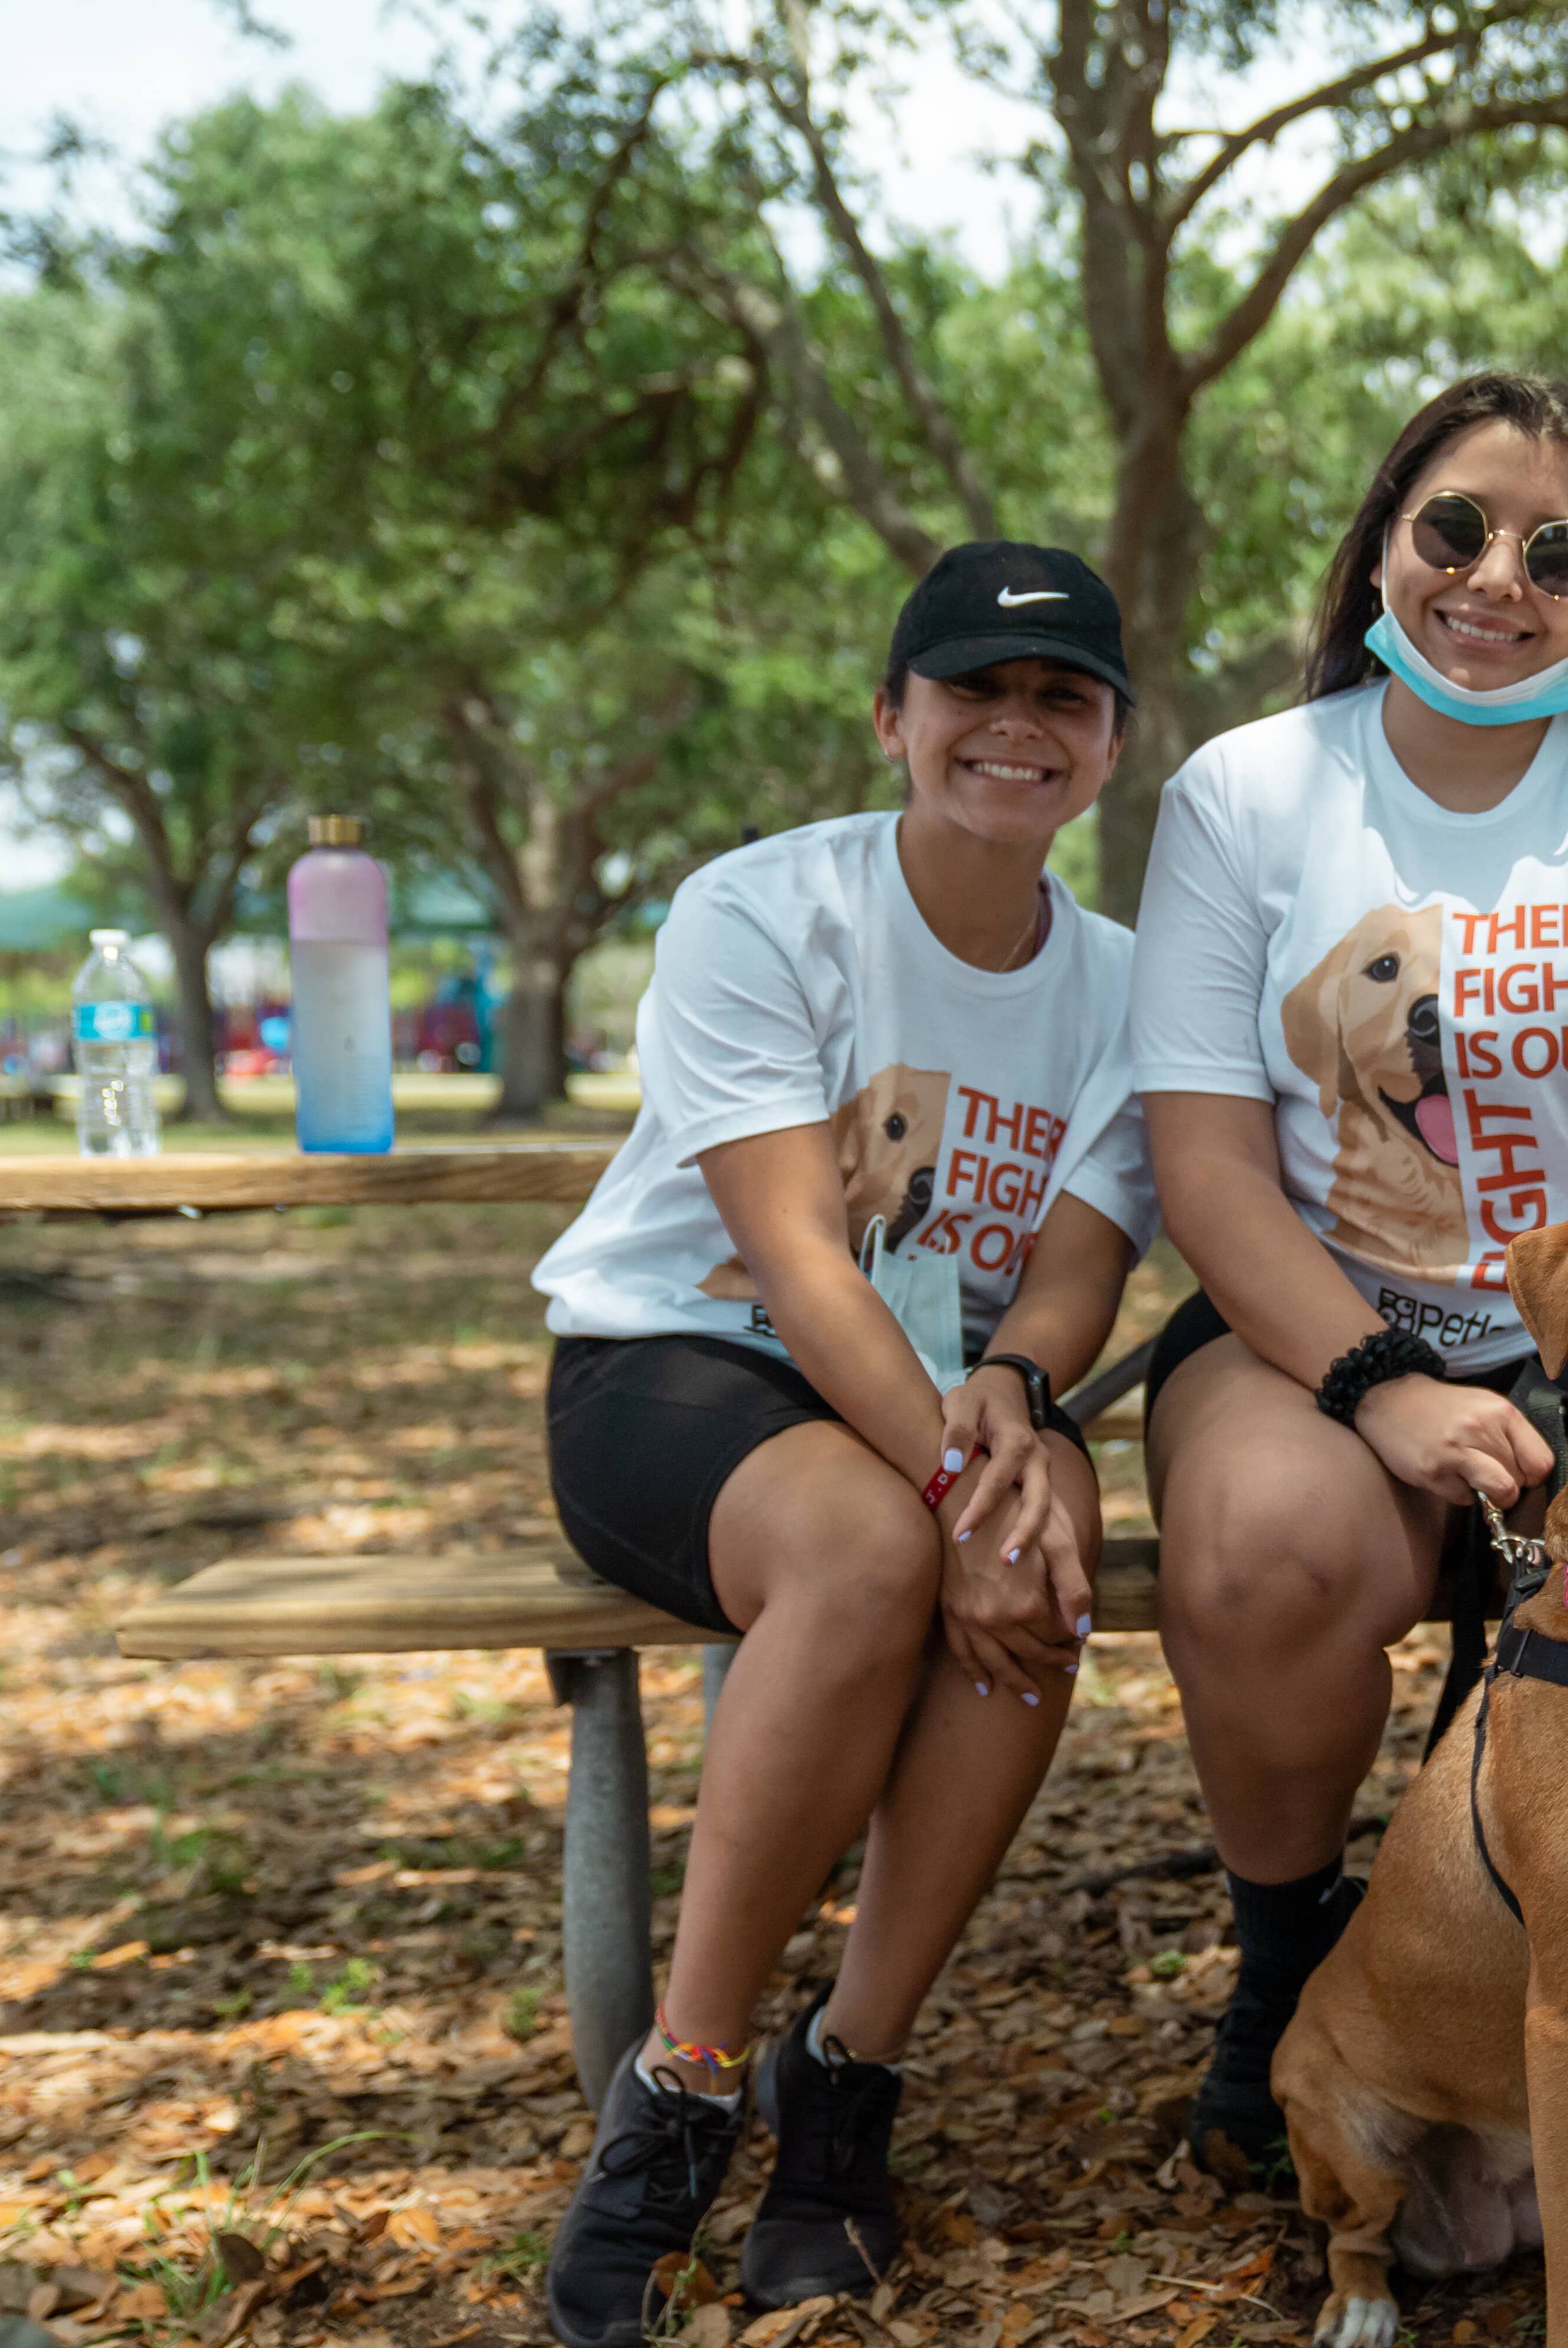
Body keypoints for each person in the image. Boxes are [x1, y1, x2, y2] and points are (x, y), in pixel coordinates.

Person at [1126, 372, 1568, 2231]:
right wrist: (1379, 1385)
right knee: (1275, 1545)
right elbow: (1204, 1166)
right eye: (1456, 527)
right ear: (1384, 542)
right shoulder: (1247, 793)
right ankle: (1295, 1962)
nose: (1494, 575)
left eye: (1556, 550)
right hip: (1311, 1312)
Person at [529, 544, 1156, 2348]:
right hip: (678, 1371)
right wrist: (957, 1486)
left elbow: (1079, 1265)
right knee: (881, 1550)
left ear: (1111, 741)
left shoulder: (1122, 983)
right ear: (895, 717)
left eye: (1065, 699)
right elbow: (799, 1265)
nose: (1016, 729)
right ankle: (690, 2086)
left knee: (1037, 1556)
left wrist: (1019, 1411)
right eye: (974, 689)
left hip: (951, 1405)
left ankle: (848, 2079)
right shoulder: (761, 911)